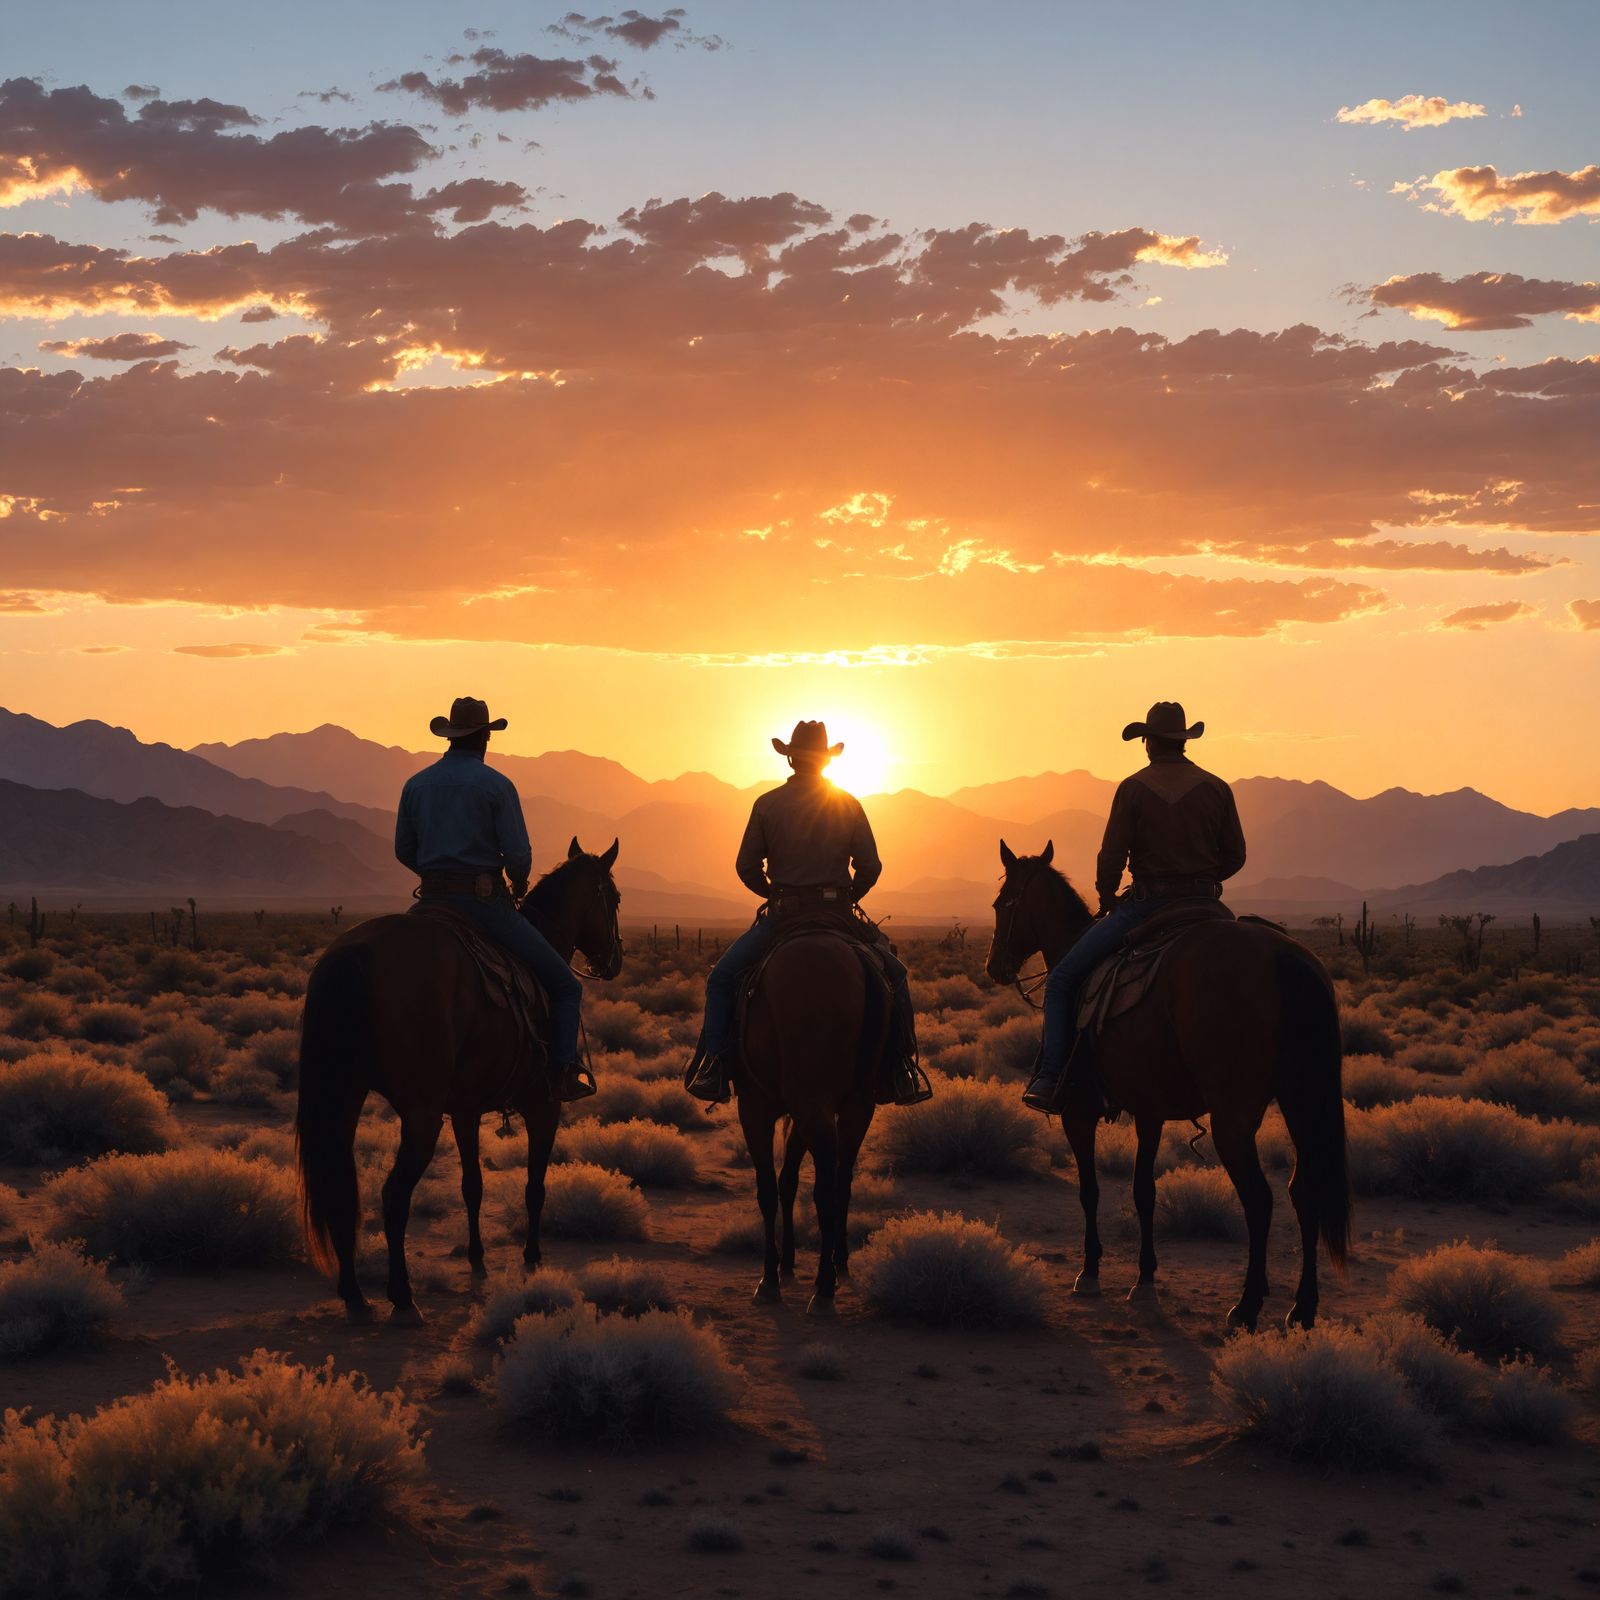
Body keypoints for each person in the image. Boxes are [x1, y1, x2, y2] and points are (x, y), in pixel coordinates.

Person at [685, 719, 928, 1106]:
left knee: (721, 980)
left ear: (791, 759)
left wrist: (774, 893)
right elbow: (871, 866)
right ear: (825, 762)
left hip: (784, 915)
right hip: (838, 914)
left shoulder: (766, 805)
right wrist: (849, 896)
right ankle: (901, 1069)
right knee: (894, 974)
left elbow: (746, 867)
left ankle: (714, 1066)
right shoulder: (847, 804)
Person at [1020, 701, 1246, 1115]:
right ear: (1182, 742)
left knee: (1064, 978)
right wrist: (1202, 881)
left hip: (1148, 905)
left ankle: (1052, 1075)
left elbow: (1111, 860)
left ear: (1147, 742)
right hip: (1206, 907)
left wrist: (1108, 898)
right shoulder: (1216, 788)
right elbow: (1235, 856)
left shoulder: (1134, 788)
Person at [395, 696, 592, 1102]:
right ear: (485, 737)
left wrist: (434, 874)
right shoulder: (496, 786)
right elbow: (518, 855)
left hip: (429, 901)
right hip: (482, 905)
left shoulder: (416, 785)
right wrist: (517, 885)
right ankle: (562, 1072)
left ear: (450, 736)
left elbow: (403, 849)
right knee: (565, 986)